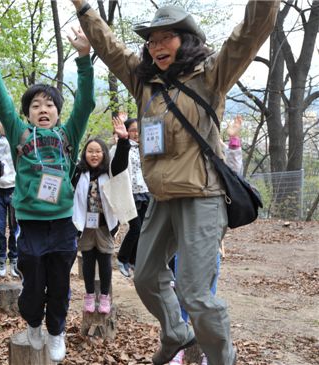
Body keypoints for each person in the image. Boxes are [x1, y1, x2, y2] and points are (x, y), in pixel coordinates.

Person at [73, 1, 279, 364]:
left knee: (196, 293)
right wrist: (83, 7)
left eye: (167, 37)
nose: (157, 45)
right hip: (162, 199)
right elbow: (109, 47)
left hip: (202, 197)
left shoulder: (212, 74)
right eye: (152, 40)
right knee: (146, 277)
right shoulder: (144, 82)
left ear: (187, 40)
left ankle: (221, 358)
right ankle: (176, 333)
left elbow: (249, 33)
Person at [0, 15, 95, 362]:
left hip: (63, 223)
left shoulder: (68, 136)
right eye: (36, 105)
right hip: (31, 224)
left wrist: (84, 59)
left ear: (57, 112)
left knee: (60, 284)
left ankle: (55, 331)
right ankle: (34, 322)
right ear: (27, 113)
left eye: (49, 105)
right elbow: (1, 99)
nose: (43, 109)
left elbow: (86, 103)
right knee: (32, 283)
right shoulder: (20, 133)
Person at [168, 115, 244, 365]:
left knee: (205, 298)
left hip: (211, 239)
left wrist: (233, 139)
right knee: (182, 294)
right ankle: (180, 348)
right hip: (183, 236)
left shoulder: (218, 151)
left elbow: (234, 172)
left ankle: (209, 353)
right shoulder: (183, 153)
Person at [72, 118, 131, 315]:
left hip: (105, 225)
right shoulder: (79, 172)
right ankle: (89, 295)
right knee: (88, 261)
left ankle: (104, 296)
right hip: (85, 225)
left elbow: (122, 162)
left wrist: (123, 140)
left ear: (103, 153)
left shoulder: (110, 171)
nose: (94, 155)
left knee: (105, 262)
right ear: (85, 154)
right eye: (90, 151)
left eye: (98, 151)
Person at [111, 114, 150, 277]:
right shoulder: (120, 147)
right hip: (130, 193)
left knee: (142, 229)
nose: (136, 133)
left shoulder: (146, 148)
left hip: (145, 192)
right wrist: (122, 141)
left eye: (138, 130)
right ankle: (122, 257)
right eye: (133, 130)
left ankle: (133, 261)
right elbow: (116, 167)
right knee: (136, 228)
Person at [0, 118, 19, 278]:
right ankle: (1, 258)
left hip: (14, 188)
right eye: (2, 123)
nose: (5, 126)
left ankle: (14, 258)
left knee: (15, 227)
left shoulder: (17, 138)